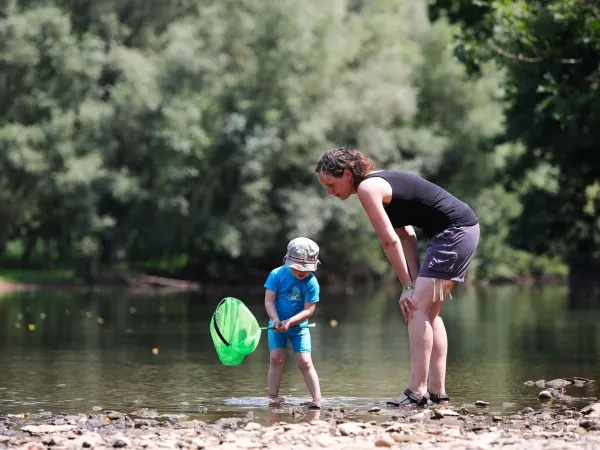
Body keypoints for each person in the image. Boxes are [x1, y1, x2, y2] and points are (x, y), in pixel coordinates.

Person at [315, 146, 480, 407]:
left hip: (454, 234)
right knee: (429, 312)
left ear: (347, 173)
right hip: (461, 230)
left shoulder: (369, 189)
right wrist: (413, 282)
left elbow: (390, 241)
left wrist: (406, 287)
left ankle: (416, 391)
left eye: (331, 184)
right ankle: (437, 393)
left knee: (416, 310)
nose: (330, 193)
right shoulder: (377, 185)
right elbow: (406, 235)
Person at [264, 237, 322, 410]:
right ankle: (272, 398)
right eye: (298, 268)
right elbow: (269, 301)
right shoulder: (276, 274)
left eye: (306, 269)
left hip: (299, 328)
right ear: (287, 262)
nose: (302, 272)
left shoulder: (311, 282)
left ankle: (317, 399)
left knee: (305, 362)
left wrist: (290, 321)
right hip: (275, 326)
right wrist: (275, 319)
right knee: (276, 359)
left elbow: (309, 310)